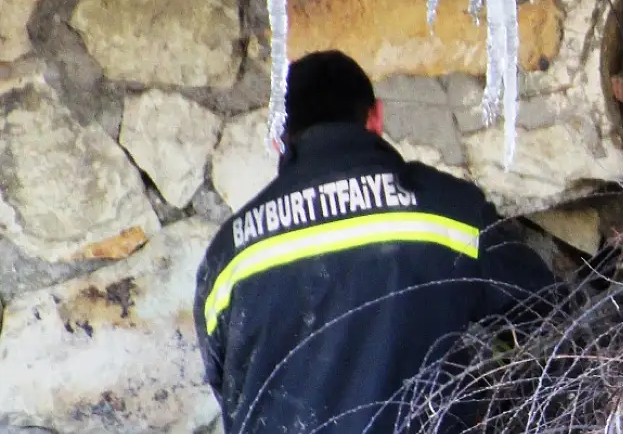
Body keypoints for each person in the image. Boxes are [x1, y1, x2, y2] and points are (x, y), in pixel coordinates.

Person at [193, 49, 564, 434]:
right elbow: (551, 318)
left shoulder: (230, 254)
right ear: (376, 118)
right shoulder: (450, 214)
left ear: (277, 139)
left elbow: (227, 384)